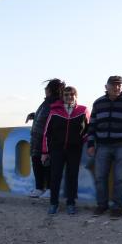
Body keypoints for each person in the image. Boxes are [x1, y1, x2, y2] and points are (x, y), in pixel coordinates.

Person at [86, 75, 122, 218]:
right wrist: (91, 144)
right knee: (100, 177)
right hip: (102, 146)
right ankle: (101, 205)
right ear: (106, 87)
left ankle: (117, 207)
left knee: (120, 178)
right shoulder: (98, 103)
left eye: (119, 85)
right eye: (113, 85)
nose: (116, 87)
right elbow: (92, 126)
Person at [42, 86, 89, 215]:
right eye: (66, 95)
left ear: (76, 96)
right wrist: (45, 152)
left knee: (72, 176)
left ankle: (71, 203)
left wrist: (79, 141)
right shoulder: (54, 111)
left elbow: (88, 131)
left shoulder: (83, 110)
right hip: (56, 149)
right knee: (55, 176)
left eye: (72, 95)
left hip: (74, 150)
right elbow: (47, 132)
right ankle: (53, 203)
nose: (69, 97)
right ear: (63, 97)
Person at [27, 78, 65, 198]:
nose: (45, 90)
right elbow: (43, 116)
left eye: (46, 88)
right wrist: (34, 115)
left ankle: (49, 188)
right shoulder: (46, 102)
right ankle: (39, 188)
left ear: (51, 90)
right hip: (37, 139)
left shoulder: (57, 104)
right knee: (36, 161)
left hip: (47, 140)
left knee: (48, 164)